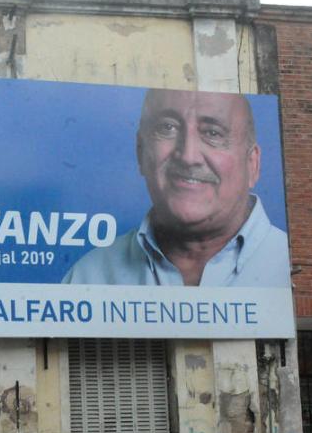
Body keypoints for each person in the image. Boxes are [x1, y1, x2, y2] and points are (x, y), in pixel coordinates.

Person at [63, 89, 289, 287]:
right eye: (167, 128)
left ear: (253, 164)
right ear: (140, 152)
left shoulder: (286, 266)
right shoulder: (90, 276)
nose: (188, 157)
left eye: (213, 133)